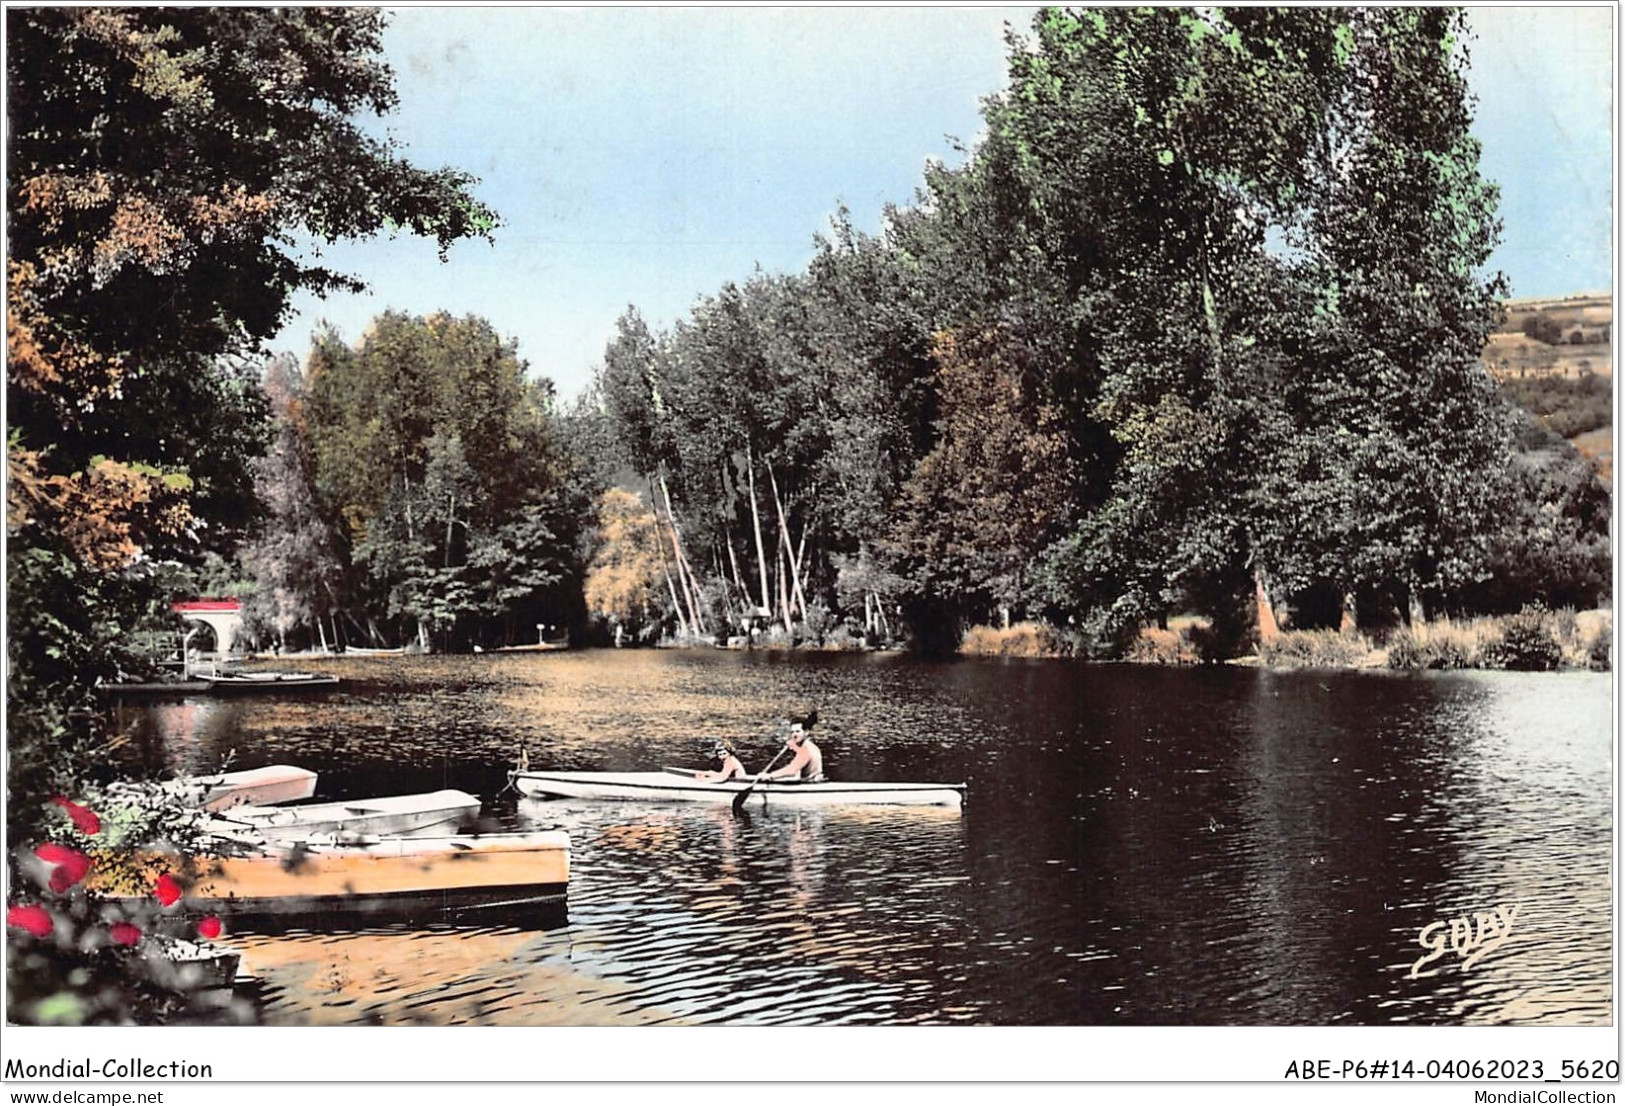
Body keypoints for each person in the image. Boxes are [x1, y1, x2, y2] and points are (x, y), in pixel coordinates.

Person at [766, 710, 823, 782]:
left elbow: (792, 770)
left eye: (798, 731)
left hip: (808, 785)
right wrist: (795, 747)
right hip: (812, 782)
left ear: (806, 732)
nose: (794, 735)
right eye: (792, 732)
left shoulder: (805, 750)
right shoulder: (810, 746)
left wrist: (770, 776)